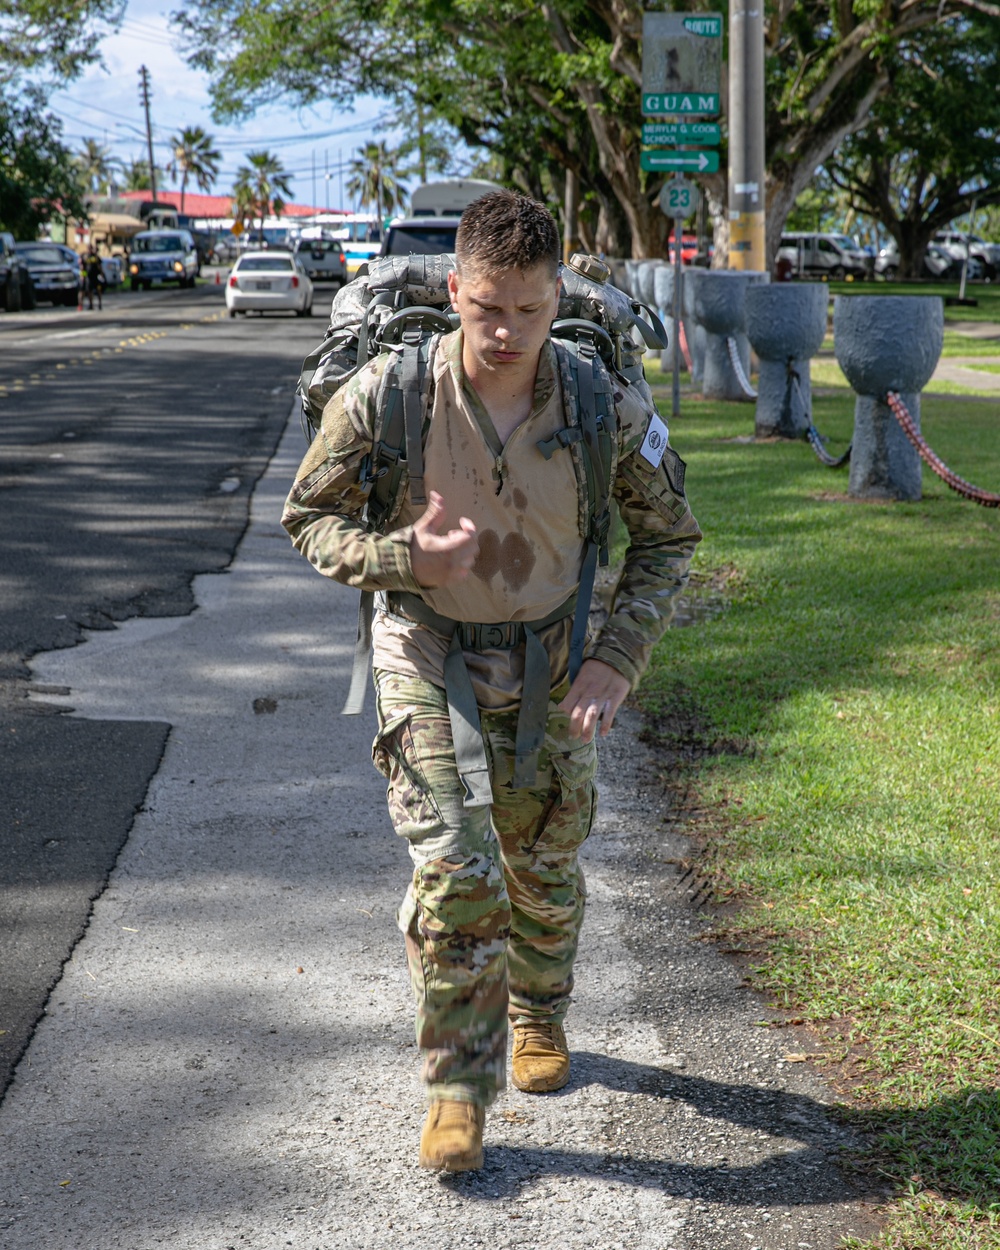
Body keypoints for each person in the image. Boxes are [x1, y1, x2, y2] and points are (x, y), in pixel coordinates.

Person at [282, 190, 701, 1172]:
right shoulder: (387, 392)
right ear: (456, 289)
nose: (505, 332)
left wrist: (614, 656)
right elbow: (308, 517)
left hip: (553, 657)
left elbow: (670, 536)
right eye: (485, 308)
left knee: (544, 870)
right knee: (455, 870)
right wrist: (399, 560)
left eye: (527, 308)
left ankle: (536, 1012)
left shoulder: (600, 400)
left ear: (556, 296)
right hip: (423, 647)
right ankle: (456, 1090)